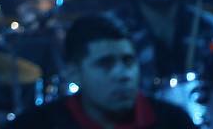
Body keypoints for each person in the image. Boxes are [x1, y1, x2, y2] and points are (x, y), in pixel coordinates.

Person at [12, 13, 195, 129]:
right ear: (74, 73)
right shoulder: (35, 124)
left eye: (129, 61)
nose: (123, 74)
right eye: (105, 64)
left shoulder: (173, 122)